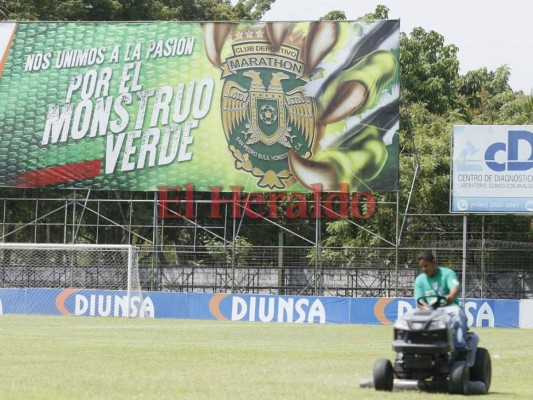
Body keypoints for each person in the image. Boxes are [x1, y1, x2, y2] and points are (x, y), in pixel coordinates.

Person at [414, 250, 469, 352]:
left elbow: (455, 287)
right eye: (421, 267)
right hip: (429, 310)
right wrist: (426, 308)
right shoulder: (419, 280)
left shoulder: (447, 273)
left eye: (426, 266)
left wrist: (450, 297)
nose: (424, 269)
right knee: (409, 316)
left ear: (433, 262)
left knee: (458, 313)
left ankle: (460, 346)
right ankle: (413, 347)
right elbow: (419, 302)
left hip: (448, 307)